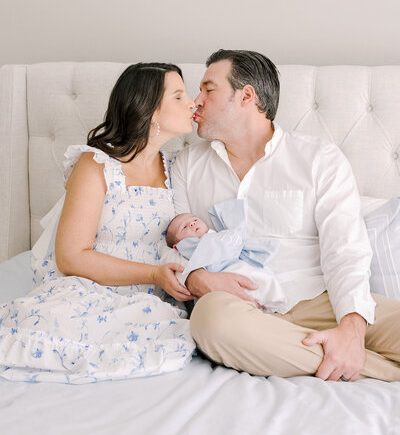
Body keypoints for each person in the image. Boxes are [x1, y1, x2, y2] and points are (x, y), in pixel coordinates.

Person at [171, 49, 400, 382]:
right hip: (240, 311)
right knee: (210, 322)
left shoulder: (319, 159)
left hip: (321, 302)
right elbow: (175, 246)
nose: (196, 101)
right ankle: (377, 370)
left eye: (208, 89)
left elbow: (345, 250)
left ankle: (320, 351)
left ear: (246, 96)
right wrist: (196, 278)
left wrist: (350, 328)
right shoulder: (187, 165)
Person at [0, 62, 196, 384]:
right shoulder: (96, 165)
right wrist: (153, 274)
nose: (191, 103)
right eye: (178, 96)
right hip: (93, 285)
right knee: (43, 332)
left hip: (152, 298)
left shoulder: (177, 169)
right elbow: (71, 256)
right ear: (151, 111)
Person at [165, 200, 287, 312]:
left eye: (195, 220)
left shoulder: (219, 235)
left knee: (264, 277)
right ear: (177, 246)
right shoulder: (186, 249)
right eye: (184, 227)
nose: (192, 224)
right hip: (218, 278)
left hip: (240, 265)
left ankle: (276, 308)